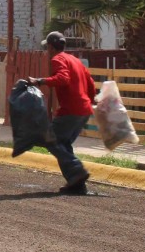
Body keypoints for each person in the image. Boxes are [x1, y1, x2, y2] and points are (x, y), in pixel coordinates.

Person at [27, 31, 95, 195]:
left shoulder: (58, 59)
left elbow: (63, 78)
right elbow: (90, 83)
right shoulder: (75, 60)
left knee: (50, 140)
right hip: (84, 110)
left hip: (70, 110)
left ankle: (76, 170)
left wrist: (40, 81)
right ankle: (77, 185)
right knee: (62, 144)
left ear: (50, 47)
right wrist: (91, 100)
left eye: (47, 48)